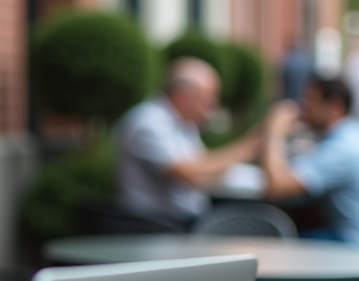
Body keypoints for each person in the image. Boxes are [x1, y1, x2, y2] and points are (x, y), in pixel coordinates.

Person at [114, 57, 261, 226]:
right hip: (157, 226)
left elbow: (204, 164)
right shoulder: (149, 122)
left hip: (182, 222)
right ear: (181, 95)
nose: (212, 108)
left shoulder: (183, 123)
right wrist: (243, 150)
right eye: (207, 100)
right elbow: (188, 173)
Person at [262, 75, 359, 245]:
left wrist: (274, 130)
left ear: (335, 106)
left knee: (275, 240)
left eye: (311, 100)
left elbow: (276, 186)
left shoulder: (341, 149)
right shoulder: (348, 136)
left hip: (350, 243)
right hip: (343, 234)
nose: (304, 108)